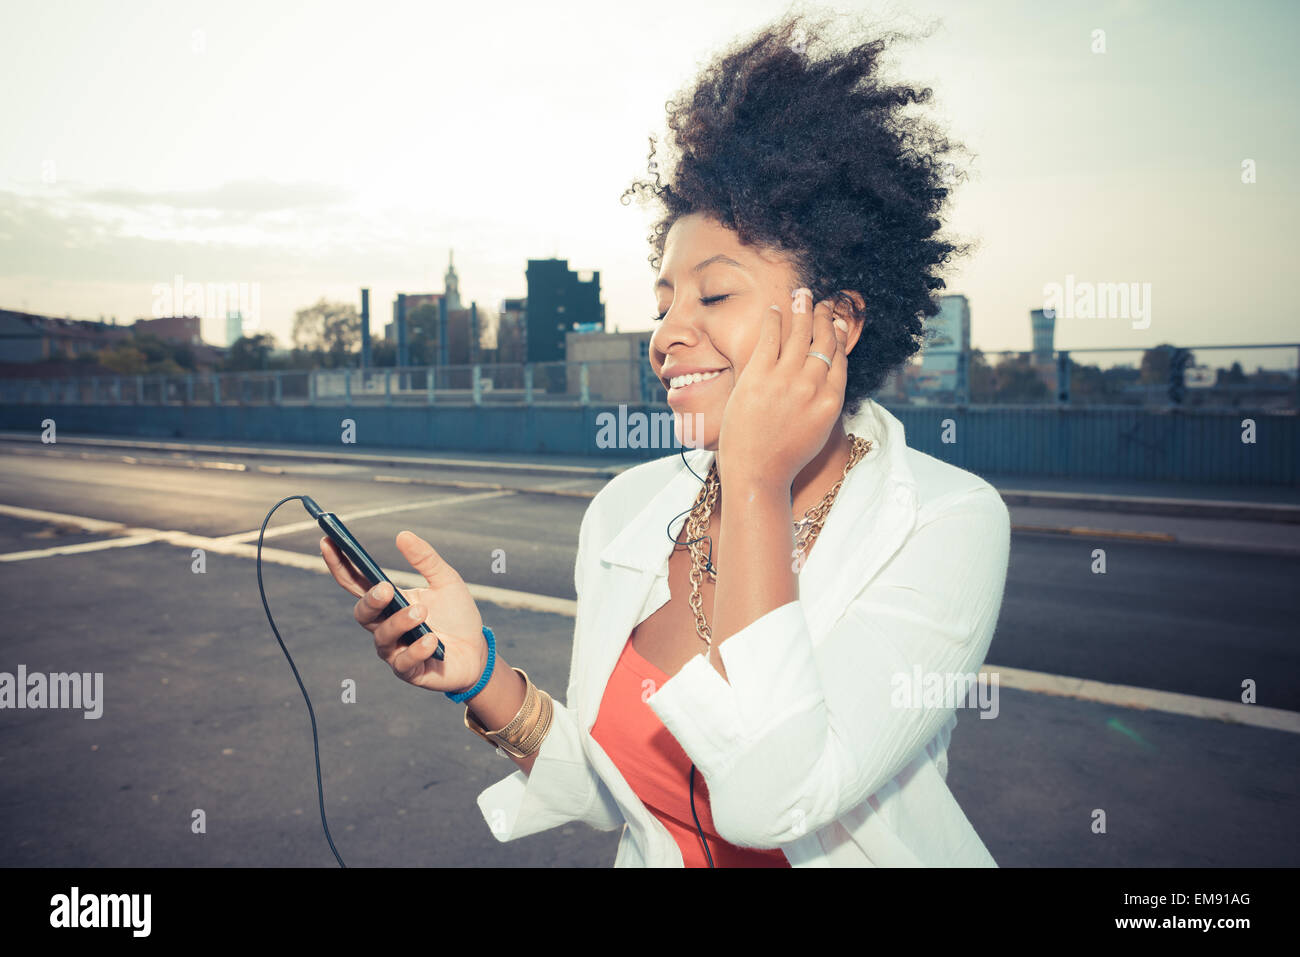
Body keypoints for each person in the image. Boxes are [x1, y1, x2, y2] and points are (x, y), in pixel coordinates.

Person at [320, 12, 1010, 867]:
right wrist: (479, 676)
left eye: (714, 297)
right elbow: (620, 792)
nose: (666, 335)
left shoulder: (945, 519)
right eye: (662, 303)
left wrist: (755, 485)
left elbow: (772, 799)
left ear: (835, 323)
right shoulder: (627, 510)